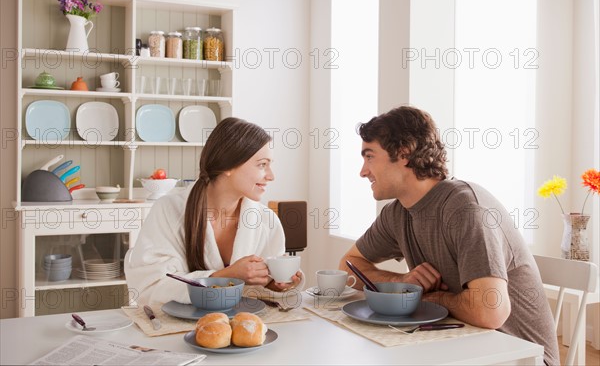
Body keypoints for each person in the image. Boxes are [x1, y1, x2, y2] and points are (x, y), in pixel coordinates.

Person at [339, 105, 559, 365]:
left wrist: (424, 295)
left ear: (404, 153)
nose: (363, 171)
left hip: (518, 358)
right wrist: (403, 282)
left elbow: (490, 311)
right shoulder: (397, 213)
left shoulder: (465, 208)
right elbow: (348, 267)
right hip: (460, 347)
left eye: (369, 157)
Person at [125, 117, 303, 305]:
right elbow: (150, 288)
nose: (271, 176)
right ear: (228, 166)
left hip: (246, 327)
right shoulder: (167, 211)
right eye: (262, 164)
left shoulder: (267, 220)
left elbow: (263, 293)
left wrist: (275, 285)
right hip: (178, 329)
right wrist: (225, 276)